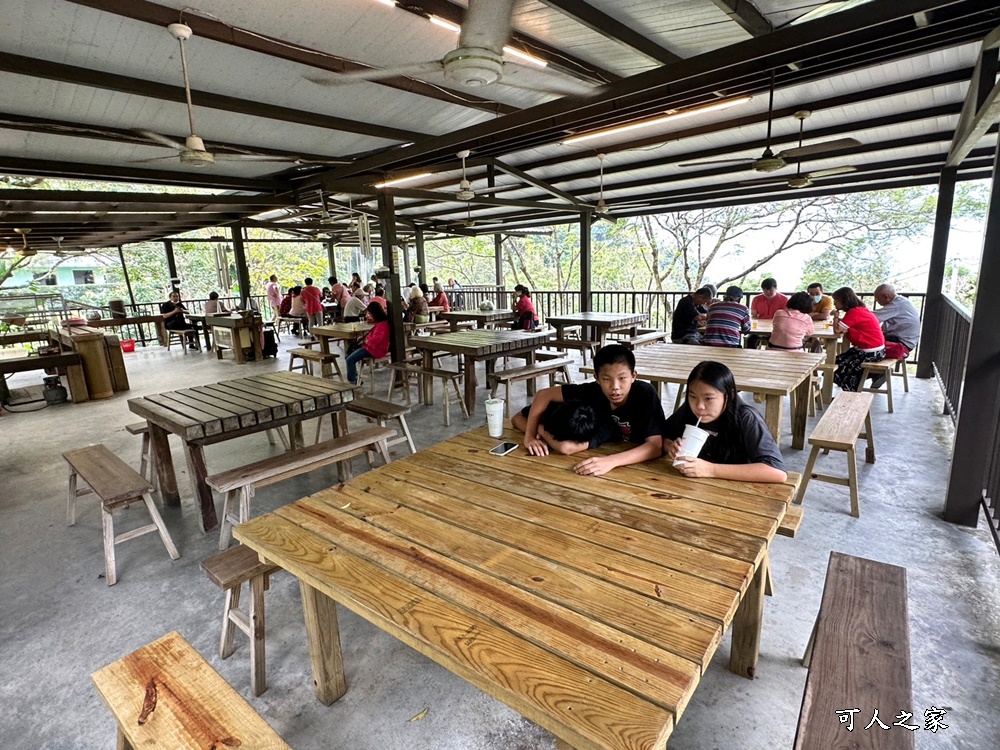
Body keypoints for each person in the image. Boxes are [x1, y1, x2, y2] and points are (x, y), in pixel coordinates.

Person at [512, 344, 664, 476]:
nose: (615, 387)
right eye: (606, 379)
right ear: (597, 378)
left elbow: (655, 446)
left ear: (633, 376)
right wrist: (530, 436)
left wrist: (611, 462)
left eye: (622, 378)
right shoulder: (592, 391)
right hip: (601, 453)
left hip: (642, 466)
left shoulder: (644, 394)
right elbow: (543, 395)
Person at [662, 361, 787, 482]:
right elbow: (662, 437)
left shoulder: (746, 418)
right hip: (695, 487)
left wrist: (711, 470)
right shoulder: (688, 411)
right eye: (692, 396)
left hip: (740, 491)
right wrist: (671, 447)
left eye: (708, 398)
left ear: (729, 395)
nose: (699, 406)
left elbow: (777, 472)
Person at [831, 286, 885, 392]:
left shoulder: (854, 312)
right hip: (877, 350)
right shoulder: (860, 310)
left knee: (839, 367)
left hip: (869, 353)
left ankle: (850, 394)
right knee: (836, 362)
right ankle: (846, 391)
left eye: (836, 300)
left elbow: (837, 330)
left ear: (843, 300)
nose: (834, 303)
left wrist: (836, 316)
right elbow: (845, 326)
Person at [873, 283, 920, 363]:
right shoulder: (902, 301)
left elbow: (872, 318)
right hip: (908, 341)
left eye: (877, 298)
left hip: (902, 343)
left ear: (886, 297)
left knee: (867, 345)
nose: (876, 301)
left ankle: (874, 373)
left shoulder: (896, 305)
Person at [346, 302, 389, 384]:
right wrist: (364, 339)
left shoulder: (382, 326)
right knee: (348, 355)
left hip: (375, 350)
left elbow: (376, 340)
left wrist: (364, 341)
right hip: (370, 348)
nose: (367, 316)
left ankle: (352, 380)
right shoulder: (380, 324)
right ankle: (354, 376)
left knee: (349, 359)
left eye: (369, 313)